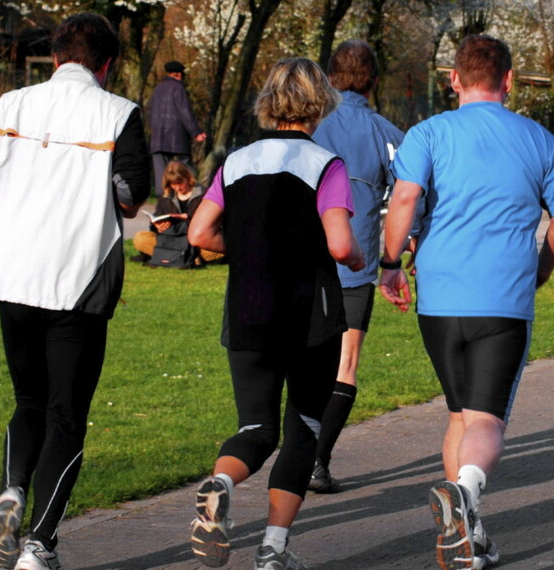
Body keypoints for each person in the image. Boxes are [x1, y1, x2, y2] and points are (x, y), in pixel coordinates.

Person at [379, 34, 554, 570]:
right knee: (488, 419)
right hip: (503, 298)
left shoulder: (426, 134)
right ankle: (464, 496)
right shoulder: (540, 140)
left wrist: (389, 262)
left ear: (454, 79)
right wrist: (543, 267)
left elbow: (405, 197)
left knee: (459, 415)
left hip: (439, 298)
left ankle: (464, 535)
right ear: (509, 81)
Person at [0, 13, 150, 569]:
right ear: (106, 65)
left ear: (56, 56)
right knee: (66, 414)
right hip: (78, 279)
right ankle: (40, 543)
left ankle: (11, 490)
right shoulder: (119, 112)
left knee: (28, 400)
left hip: (13, 274)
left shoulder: (8, 105)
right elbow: (131, 195)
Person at [187, 57, 364, 569]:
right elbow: (338, 244)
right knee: (304, 427)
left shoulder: (236, 162)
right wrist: (355, 258)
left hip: (247, 310)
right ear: (319, 102)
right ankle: (272, 552)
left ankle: (220, 484)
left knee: (254, 428)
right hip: (310, 316)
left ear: (270, 101)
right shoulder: (325, 164)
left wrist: (246, 249)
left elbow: (199, 234)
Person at [308, 39, 405, 493]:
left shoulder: (305, 126)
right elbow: (410, 196)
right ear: (374, 81)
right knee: (345, 365)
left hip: (305, 264)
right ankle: (317, 461)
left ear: (327, 77)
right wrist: (398, 258)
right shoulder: (387, 133)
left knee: (302, 362)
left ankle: (292, 451)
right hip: (356, 266)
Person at [132, 160, 223, 266]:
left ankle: (171, 255)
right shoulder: (165, 197)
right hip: (171, 240)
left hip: (195, 240)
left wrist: (187, 219)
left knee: (213, 248)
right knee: (140, 238)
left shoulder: (204, 194)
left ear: (188, 178)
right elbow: (157, 220)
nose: (178, 188)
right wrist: (158, 226)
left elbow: (214, 220)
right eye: (173, 185)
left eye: (180, 183)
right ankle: (188, 256)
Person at [148, 60, 206, 194]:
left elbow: (149, 111)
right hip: (177, 137)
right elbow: (185, 112)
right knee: (185, 168)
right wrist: (195, 132)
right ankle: (192, 195)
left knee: (161, 174)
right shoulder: (179, 88)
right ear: (179, 75)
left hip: (157, 138)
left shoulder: (157, 89)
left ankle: (163, 202)